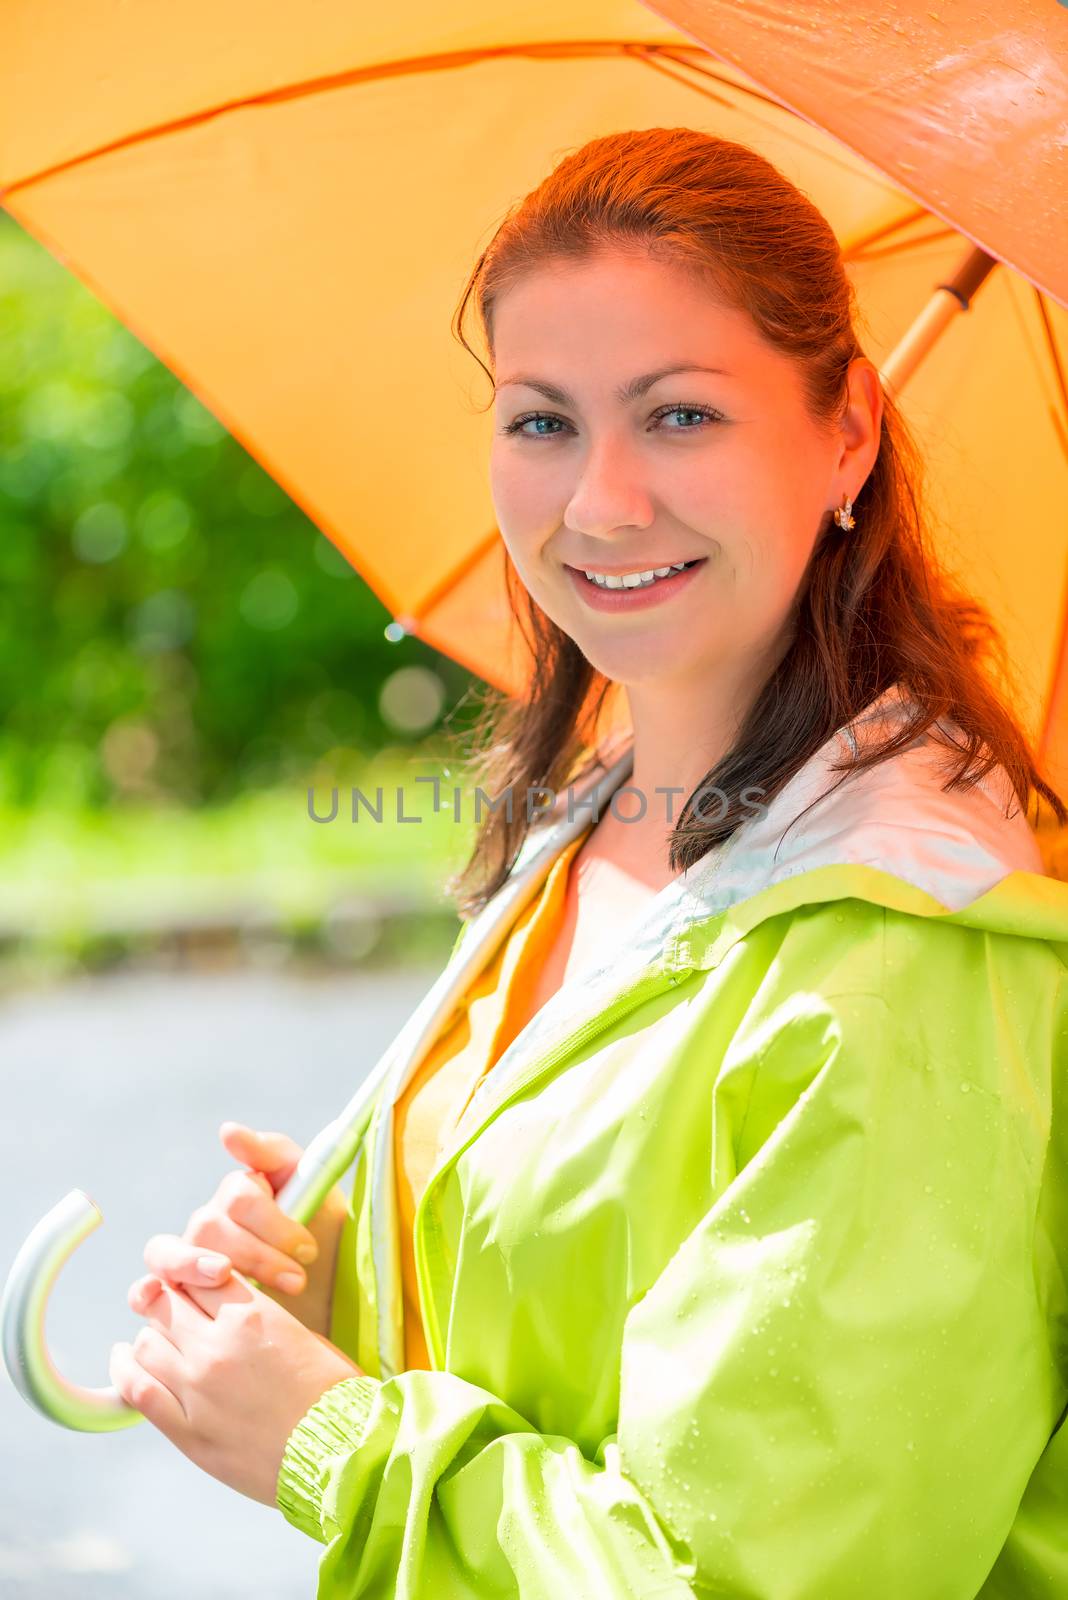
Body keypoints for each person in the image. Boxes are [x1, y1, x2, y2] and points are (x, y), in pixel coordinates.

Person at [110, 129, 1068, 1597]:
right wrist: (342, 1292)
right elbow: (578, 1327)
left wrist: (335, 1443)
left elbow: (754, 1576)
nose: (601, 502)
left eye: (680, 416)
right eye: (543, 422)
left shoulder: (902, 965)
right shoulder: (595, 814)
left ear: (849, 434)